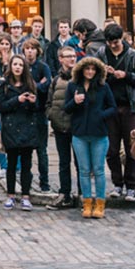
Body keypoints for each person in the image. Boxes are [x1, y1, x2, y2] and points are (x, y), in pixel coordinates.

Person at [94, 23, 135, 201]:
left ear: (121, 38)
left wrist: (127, 76)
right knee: (111, 149)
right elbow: (93, 78)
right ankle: (117, 183)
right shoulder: (101, 54)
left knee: (131, 147)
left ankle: (131, 185)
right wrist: (104, 75)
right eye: (110, 42)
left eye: (116, 42)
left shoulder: (133, 55)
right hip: (109, 107)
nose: (113, 45)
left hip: (129, 106)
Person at [64, 56, 116, 219]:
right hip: (79, 134)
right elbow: (66, 108)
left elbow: (112, 107)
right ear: (81, 70)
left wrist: (101, 115)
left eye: (93, 69)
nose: (90, 72)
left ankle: (100, 203)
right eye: (87, 69)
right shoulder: (73, 86)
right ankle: (86, 202)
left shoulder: (103, 86)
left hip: (99, 134)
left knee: (99, 170)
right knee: (84, 170)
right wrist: (74, 101)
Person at [0, 54, 39, 211]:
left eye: (20, 65)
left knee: (27, 164)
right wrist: (17, 100)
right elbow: (1, 106)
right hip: (11, 127)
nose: (18, 67)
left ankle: (26, 196)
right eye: (15, 64)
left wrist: (33, 102)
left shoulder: (30, 84)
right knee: (11, 164)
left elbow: (37, 108)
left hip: (27, 126)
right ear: (11, 66)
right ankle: (11, 195)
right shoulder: (3, 84)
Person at [45, 46, 80, 210]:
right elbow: (49, 102)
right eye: (68, 56)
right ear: (60, 59)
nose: (72, 59)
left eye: (74, 56)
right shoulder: (56, 80)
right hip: (60, 127)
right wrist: (51, 115)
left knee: (81, 163)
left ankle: (82, 194)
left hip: (78, 127)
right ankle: (64, 194)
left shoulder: (80, 78)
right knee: (64, 163)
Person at [22, 39, 51, 192]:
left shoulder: (43, 67)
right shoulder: (21, 66)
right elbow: (19, 86)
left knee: (42, 150)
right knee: (25, 151)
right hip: (24, 113)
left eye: (33, 48)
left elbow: (47, 85)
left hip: (39, 113)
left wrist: (33, 86)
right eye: (27, 48)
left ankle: (44, 182)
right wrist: (37, 84)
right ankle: (25, 181)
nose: (30, 51)